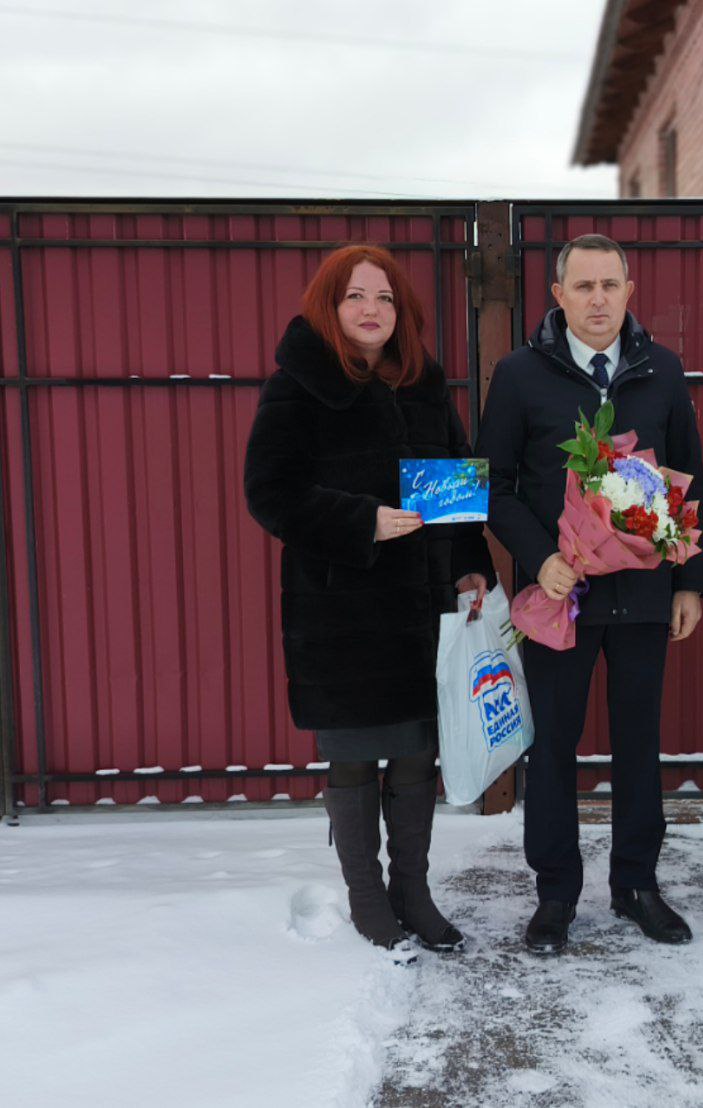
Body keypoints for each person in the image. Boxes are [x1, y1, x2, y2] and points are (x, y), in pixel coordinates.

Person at [244, 245, 494, 955]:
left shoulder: (421, 382)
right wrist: (363, 520)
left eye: (384, 298)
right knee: (354, 756)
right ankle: (366, 895)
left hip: (420, 607)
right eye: (355, 296)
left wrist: (472, 562)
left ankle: (412, 892)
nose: (371, 310)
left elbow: (454, 484)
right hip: (341, 613)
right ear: (330, 304)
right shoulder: (298, 387)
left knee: (416, 755)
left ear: (401, 310)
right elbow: (270, 492)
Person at [477, 234, 703, 954]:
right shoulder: (520, 375)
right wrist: (540, 556)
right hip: (560, 596)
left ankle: (637, 885)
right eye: (584, 286)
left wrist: (690, 583)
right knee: (553, 749)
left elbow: (688, 480)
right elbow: (497, 484)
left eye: (611, 285)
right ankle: (555, 896)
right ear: (559, 296)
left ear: (630, 290)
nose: (599, 299)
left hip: (643, 596)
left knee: (640, 744)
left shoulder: (661, 371)